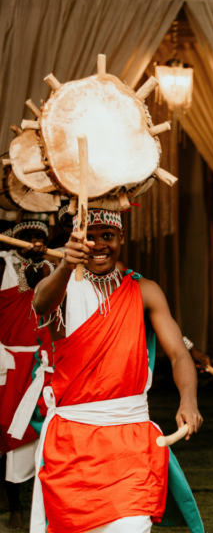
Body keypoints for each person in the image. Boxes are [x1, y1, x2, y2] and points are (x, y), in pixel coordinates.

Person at [31, 206, 204, 533]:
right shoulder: (64, 286)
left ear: (122, 237)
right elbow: (40, 303)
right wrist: (67, 263)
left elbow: (180, 355)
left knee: (133, 524)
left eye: (107, 236)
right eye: (89, 238)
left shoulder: (144, 290)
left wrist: (189, 401)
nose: (99, 245)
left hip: (131, 436)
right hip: (72, 440)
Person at [0, 213, 52, 529]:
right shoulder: (4, 266)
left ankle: (43, 503)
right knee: (10, 431)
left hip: (43, 363)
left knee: (44, 432)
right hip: (10, 366)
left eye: (40, 236)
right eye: (28, 235)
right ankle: (14, 504)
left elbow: (38, 280)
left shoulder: (52, 268)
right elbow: (26, 280)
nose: (35, 240)